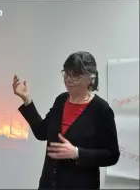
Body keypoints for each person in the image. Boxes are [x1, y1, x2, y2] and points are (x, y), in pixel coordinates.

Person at [12, 51, 120, 189]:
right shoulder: (61, 100)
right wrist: (26, 100)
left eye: (74, 75)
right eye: (66, 73)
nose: (68, 79)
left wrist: (76, 153)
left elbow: (112, 155)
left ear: (90, 78)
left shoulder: (101, 110)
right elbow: (42, 132)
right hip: (49, 184)